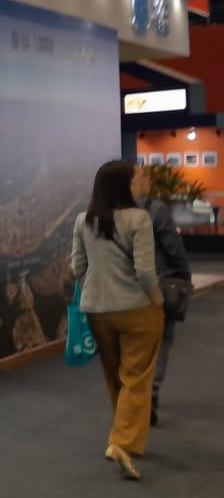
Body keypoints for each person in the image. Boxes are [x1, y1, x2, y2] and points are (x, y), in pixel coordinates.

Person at [71, 161, 164, 480]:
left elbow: (77, 268)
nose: (144, 180)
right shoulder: (139, 218)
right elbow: (145, 271)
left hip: (97, 310)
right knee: (137, 376)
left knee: (115, 376)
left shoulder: (83, 220)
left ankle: (121, 435)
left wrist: (97, 288)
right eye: (138, 176)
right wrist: (157, 299)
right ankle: (122, 443)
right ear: (124, 185)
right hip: (137, 308)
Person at [130, 166, 192, 426]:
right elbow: (174, 248)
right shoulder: (155, 209)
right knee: (163, 339)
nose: (150, 180)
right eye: (145, 176)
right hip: (159, 285)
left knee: (135, 345)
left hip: (128, 289)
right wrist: (185, 276)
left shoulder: (116, 212)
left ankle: (133, 396)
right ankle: (151, 394)